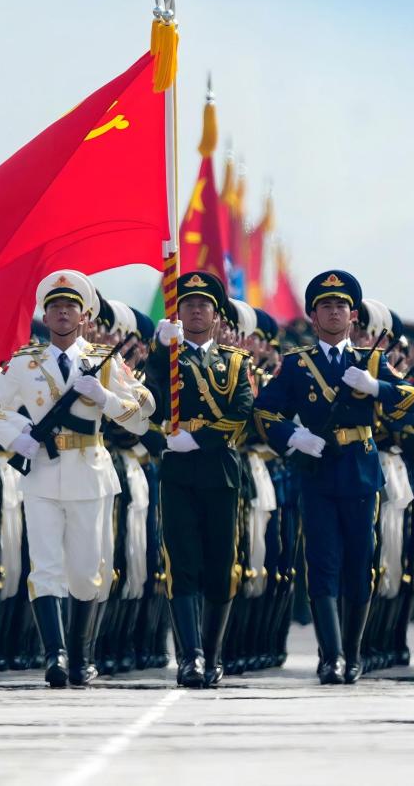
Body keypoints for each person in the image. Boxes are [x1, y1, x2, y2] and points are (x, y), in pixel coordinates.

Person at [0, 269, 155, 688]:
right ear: (46, 314)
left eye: (70, 306)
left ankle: (80, 657)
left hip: (90, 472)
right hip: (41, 475)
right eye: (55, 307)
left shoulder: (104, 361)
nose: (62, 313)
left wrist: (105, 397)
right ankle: (54, 655)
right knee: (46, 567)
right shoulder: (26, 362)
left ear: (84, 315)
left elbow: (143, 415)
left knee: (88, 569)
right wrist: (17, 437)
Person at [254, 269, 414, 685]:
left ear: (352, 316)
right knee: (322, 563)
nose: (334, 312)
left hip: (361, 471)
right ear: (314, 315)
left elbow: (412, 402)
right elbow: (264, 412)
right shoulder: (296, 365)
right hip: (318, 469)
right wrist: (293, 436)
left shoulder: (371, 361)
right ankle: (330, 656)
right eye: (326, 306)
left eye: (341, 306)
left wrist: (376, 387)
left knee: (359, 562)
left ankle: (353, 653)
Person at [145, 271, 253, 688]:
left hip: (219, 470)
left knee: (222, 566)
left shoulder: (235, 362)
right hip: (177, 471)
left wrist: (201, 439)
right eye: (187, 303)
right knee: (182, 564)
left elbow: (241, 410)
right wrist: (158, 351)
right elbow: (149, 403)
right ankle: (189, 657)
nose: (194, 309)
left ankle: (213, 654)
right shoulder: (167, 358)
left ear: (217, 314)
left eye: (203, 304)